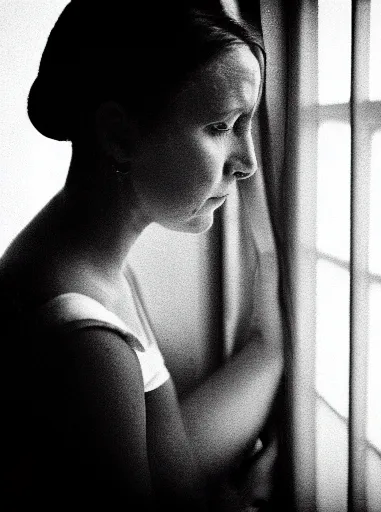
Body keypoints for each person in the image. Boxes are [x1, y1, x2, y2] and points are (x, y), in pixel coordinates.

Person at [0, 1, 284, 510]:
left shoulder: (95, 264)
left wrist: (270, 342)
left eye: (248, 124)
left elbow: (165, 453)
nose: (248, 165)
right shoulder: (84, 341)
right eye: (221, 127)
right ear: (119, 135)